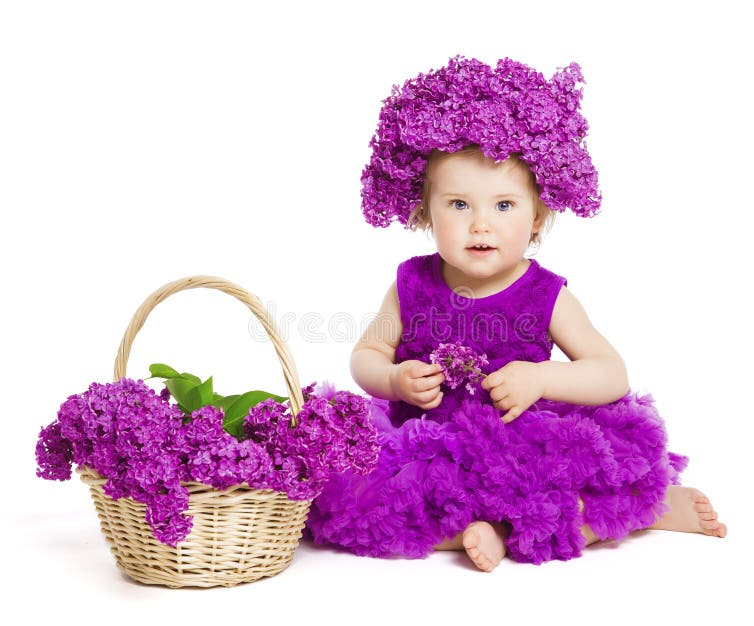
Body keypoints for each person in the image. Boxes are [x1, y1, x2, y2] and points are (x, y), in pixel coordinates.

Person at [302, 55, 726, 571]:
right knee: (351, 493)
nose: (481, 225)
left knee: (574, 484)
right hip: (429, 445)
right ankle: (487, 532)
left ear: (536, 215)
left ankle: (646, 512)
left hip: (520, 443)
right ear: (424, 211)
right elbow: (366, 352)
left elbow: (611, 374)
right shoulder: (410, 283)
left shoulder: (544, 294)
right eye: (459, 205)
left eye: (503, 206)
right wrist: (393, 378)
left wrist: (541, 377)